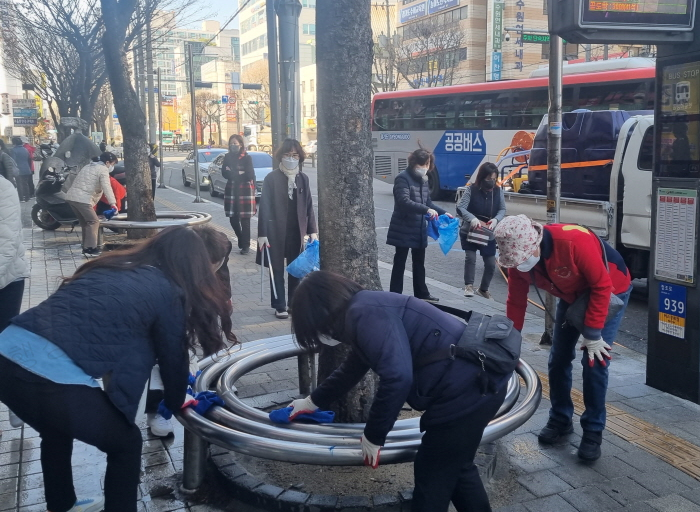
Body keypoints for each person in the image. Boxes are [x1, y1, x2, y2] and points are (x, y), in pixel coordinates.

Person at [0, 226, 237, 512]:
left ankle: (61, 504)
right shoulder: (168, 291)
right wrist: (176, 403)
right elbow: (172, 359)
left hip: (6, 353)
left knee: (55, 429)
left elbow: (130, 352)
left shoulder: (111, 266)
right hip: (50, 376)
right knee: (125, 444)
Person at [288, 271, 510, 512]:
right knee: (456, 465)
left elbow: (398, 377)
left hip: (466, 390)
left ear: (318, 314)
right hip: (477, 383)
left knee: (432, 473)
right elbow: (351, 370)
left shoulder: (362, 314)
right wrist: (311, 401)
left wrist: (374, 435)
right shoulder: (363, 307)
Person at [494, 215, 632, 461]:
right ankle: (560, 418)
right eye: (517, 262)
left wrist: (592, 335)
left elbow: (601, 286)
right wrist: (511, 341)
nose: (521, 264)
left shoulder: (573, 242)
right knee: (558, 359)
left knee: (595, 362)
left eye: (525, 258)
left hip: (609, 291)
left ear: (535, 242)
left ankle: (593, 430)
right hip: (570, 296)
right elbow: (516, 300)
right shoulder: (519, 261)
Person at [256, 138, 317, 319]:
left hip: (296, 230)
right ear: (280, 156)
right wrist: (262, 234)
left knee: (295, 268)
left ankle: (293, 303)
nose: (291, 158)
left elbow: (309, 206)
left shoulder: (303, 178)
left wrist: (312, 230)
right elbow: (264, 207)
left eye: (295, 155)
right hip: (274, 230)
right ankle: (279, 305)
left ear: (300, 157)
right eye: (287, 154)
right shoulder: (271, 178)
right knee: (276, 269)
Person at [387, 148, 449, 303]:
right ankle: (395, 294)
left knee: (419, 262)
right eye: (422, 164)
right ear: (414, 163)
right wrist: (426, 209)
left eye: (427, 164)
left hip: (419, 227)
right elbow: (404, 201)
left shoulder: (424, 179)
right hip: (403, 227)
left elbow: (428, 202)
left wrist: (442, 213)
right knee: (400, 262)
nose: (424, 167)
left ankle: (422, 293)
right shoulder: (403, 178)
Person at [456, 162, 506, 299]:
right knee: (470, 258)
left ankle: (483, 289)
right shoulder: (471, 190)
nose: (491, 182)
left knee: (490, 264)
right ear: (482, 177)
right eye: (488, 179)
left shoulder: (498, 191)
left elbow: (502, 209)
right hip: (470, 230)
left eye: (494, 179)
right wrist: (472, 219)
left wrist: (496, 219)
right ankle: (469, 286)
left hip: (488, 232)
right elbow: (461, 208)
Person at [65, 152, 119, 257]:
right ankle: (91, 248)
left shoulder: (88, 166)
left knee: (86, 223)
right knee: (93, 221)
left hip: (72, 197)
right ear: (107, 162)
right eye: (112, 164)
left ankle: (86, 247)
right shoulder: (103, 169)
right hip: (83, 199)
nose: (112, 167)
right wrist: (113, 203)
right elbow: (107, 187)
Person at [222, 134, 256, 255]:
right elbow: (224, 173)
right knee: (233, 218)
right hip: (231, 190)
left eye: (236, 143)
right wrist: (239, 174)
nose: (233, 145)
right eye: (231, 143)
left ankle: (245, 246)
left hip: (245, 190)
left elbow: (249, 175)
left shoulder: (247, 158)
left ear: (241, 144)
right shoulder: (227, 157)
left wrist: (234, 174)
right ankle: (241, 238)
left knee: (245, 220)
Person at [10, 136, 32, 202]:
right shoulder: (25, 149)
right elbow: (28, 158)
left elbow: (13, 160)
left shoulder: (13, 150)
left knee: (19, 184)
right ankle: (27, 197)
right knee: (25, 183)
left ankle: (21, 198)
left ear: (14, 143)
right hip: (27, 168)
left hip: (19, 169)